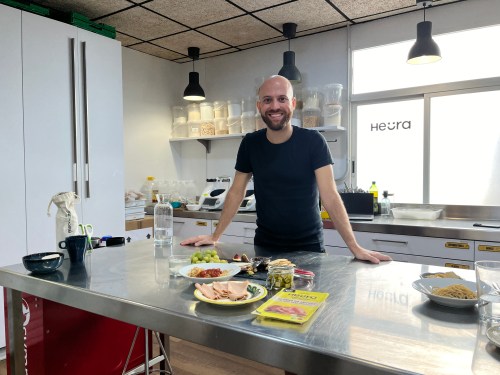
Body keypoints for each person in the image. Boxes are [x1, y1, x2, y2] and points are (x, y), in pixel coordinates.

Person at [181, 75, 391, 264]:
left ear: (292, 103)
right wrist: (215, 236)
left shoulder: (313, 141)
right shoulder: (250, 144)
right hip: (264, 248)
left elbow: (330, 196)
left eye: (282, 99)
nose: (274, 106)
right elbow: (236, 192)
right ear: (259, 106)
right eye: (267, 100)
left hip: (309, 250)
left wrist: (354, 247)